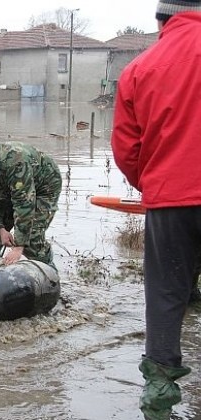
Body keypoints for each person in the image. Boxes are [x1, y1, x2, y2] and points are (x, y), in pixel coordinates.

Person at [110, 1, 201, 418]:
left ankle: (159, 401)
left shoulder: (139, 69)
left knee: (166, 296)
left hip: (170, 201)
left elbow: (126, 149)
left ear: (161, 19)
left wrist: (155, 183)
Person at [0, 137, 61, 276]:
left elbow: (24, 204)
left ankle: (51, 275)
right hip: (7, 186)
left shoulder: (16, 161)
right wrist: (1, 230)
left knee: (31, 239)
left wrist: (19, 246)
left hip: (44, 186)